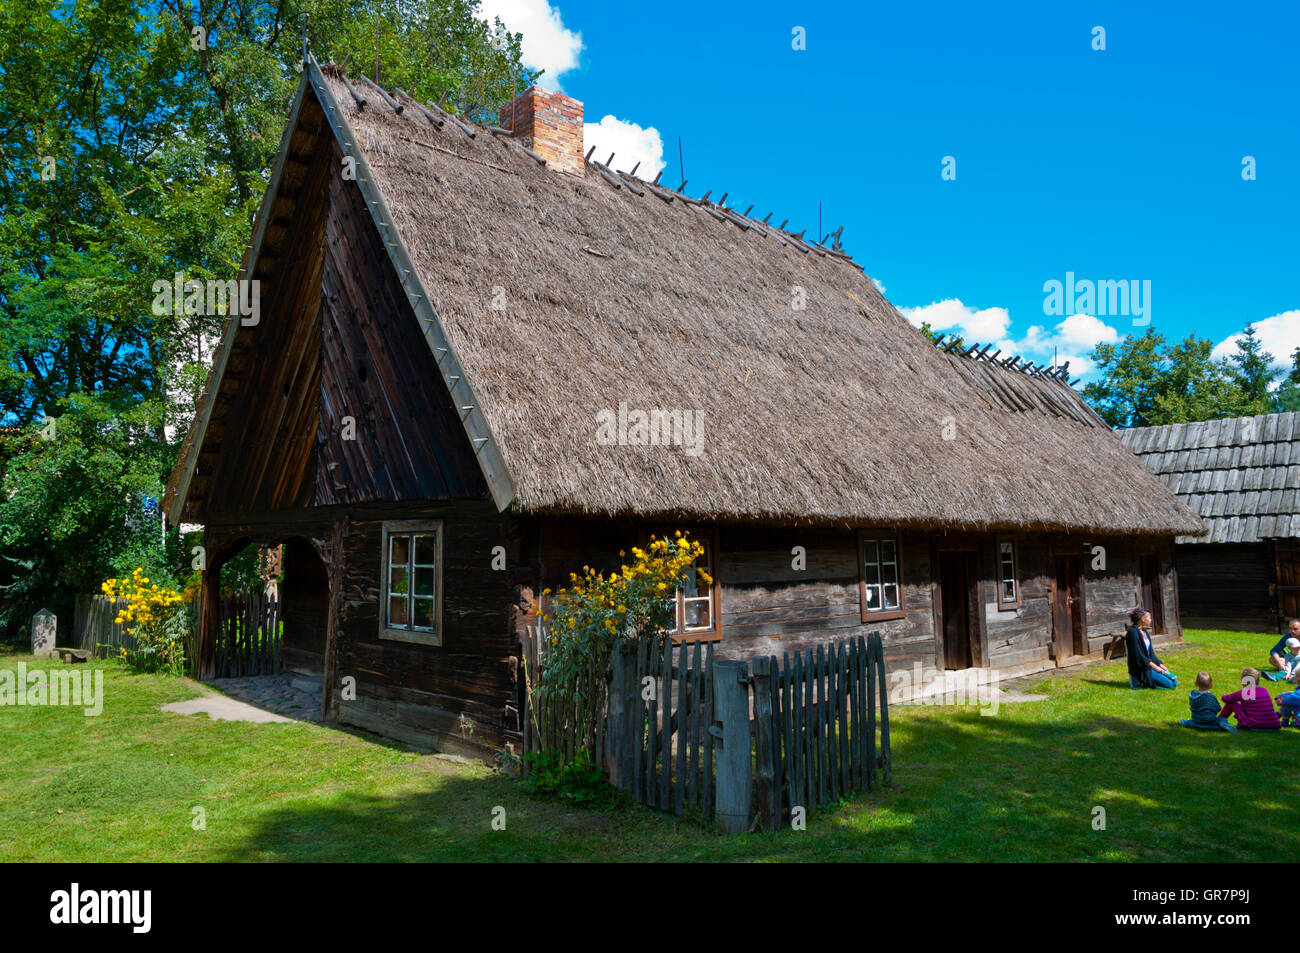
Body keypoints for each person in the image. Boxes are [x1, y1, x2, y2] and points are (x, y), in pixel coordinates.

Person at [1126, 607, 1177, 689]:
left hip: (1149, 666)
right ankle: (1142, 682)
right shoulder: (1132, 633)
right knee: (1170, 685)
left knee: (1174, 682)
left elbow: (1151, 653)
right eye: (1149, 618)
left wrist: (1160, 665)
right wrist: (1155, 667)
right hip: (1141, 668)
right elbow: (1139, 656)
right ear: (1142, 619)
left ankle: (1150, 680)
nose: (1151, 620)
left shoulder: (1144, 631)